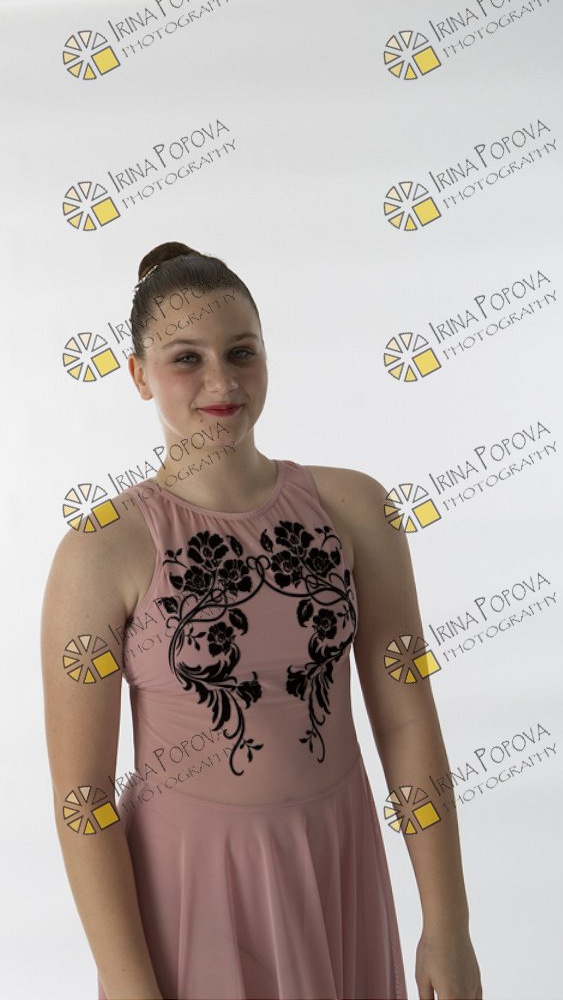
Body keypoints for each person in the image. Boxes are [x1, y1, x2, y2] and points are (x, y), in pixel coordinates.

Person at [40, 241, 484, 1000]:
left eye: (241, 352)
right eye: (187, 359)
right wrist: (129, 984)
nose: (221, 381)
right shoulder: (102, 549)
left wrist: (448, 924)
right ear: (139, 374)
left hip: (339, 864)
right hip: (192, 890)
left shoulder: (356, 509)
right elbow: (83, 799)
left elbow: (408, 720)